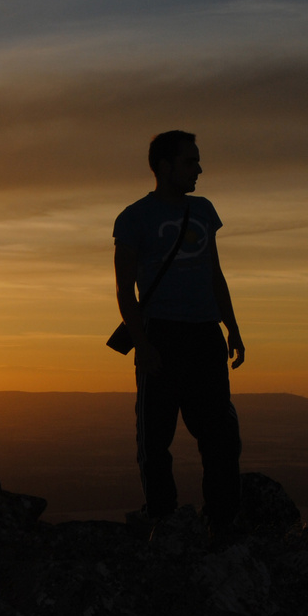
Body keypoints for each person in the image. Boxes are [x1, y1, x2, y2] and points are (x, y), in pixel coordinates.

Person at [113, 130, 245, 542]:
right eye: (191, 162)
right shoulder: (134, 218)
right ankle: (162, 520)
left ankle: (222, 519)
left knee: (220, 433)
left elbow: (214, 272)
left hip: (205, 333)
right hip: (162, 334)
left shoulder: (204, 211)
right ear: (164, 166)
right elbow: (124, 288)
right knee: (155, 436)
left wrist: (232, 326)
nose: (199, 169)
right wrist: (143, 343)